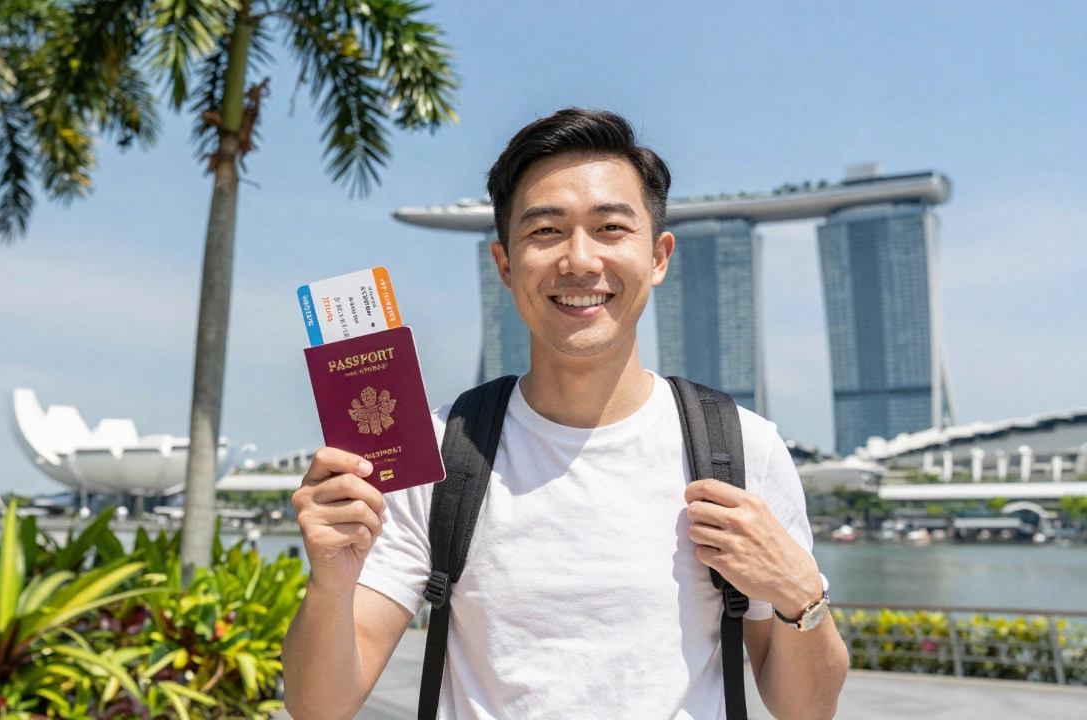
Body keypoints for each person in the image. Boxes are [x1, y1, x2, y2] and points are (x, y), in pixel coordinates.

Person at [282, 108, 848, 719]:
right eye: (545, 232)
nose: (579, 260)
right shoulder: (441, 451)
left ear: (658, 257)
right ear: (504, 264)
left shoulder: (740, 447)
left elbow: (806, 710)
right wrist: (331, 584)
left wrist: (799, 593)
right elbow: (319, 708)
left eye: (610, 228)